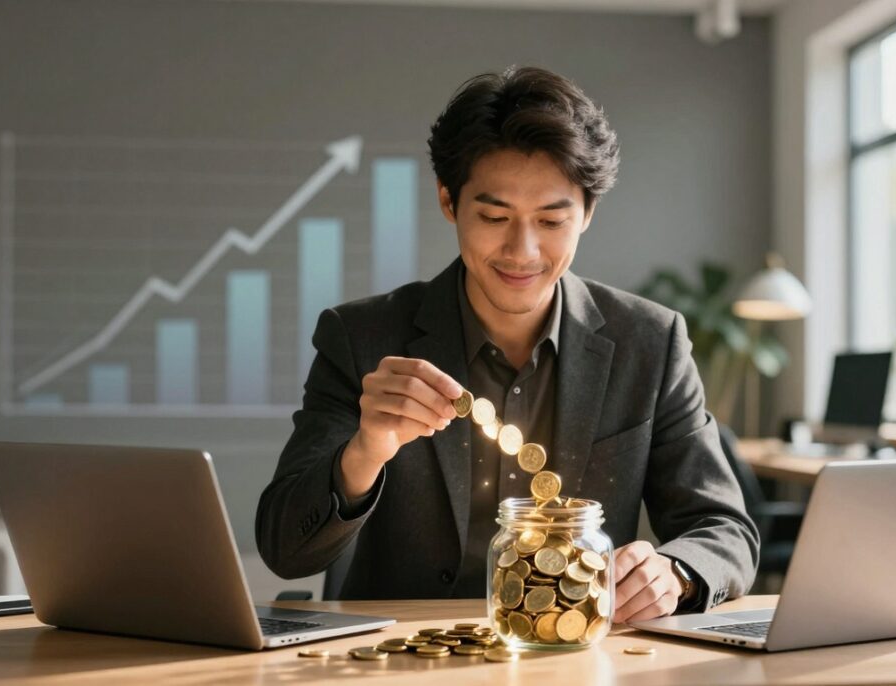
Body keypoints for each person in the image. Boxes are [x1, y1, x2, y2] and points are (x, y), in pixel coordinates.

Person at [256, 65, 759, 623]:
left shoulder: (650, 341)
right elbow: (285, 550)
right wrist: (366, 451)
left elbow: (724, 529)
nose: (522, 251)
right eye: (494, 216)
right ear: (449, 202)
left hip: (572, 652)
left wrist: (676, 573)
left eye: (550, 220)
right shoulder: (362, 338)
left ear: (587, 214)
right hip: (401, 658)